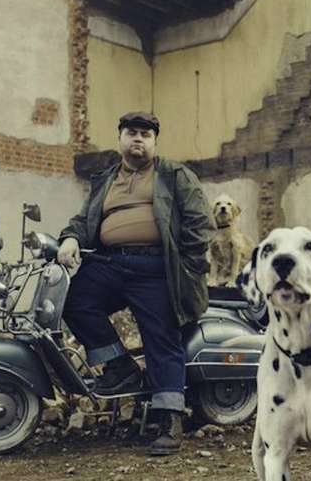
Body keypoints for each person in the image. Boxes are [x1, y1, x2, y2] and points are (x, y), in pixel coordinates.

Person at [57, 111, 215, 455]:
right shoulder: (105, 179)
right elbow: (84, 220)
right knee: (71, 298)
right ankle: (120, 367)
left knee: (162, 338)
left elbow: (200, 223)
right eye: (131, 132)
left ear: (154, 142)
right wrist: (70, 238)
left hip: (157, 267)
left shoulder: (174, 175)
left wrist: (185, 268)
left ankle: (170, 420)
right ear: (120, 139)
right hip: (110, 263)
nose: (138, 139)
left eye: (145, 134)